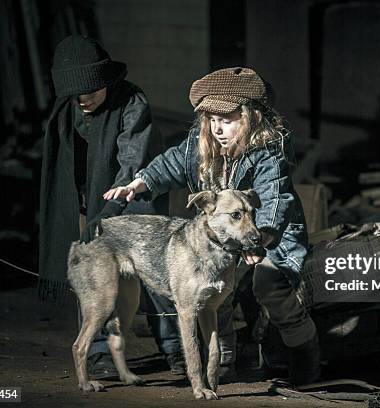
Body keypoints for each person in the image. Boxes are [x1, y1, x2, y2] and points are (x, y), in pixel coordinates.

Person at [103, 67, 321, 386]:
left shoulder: (267, 155)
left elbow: (274, 203)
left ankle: (305, 353)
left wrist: (258, 242)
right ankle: (225, 361)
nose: (217, 128)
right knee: (212, 289)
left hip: (268, 236)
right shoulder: (201, 142)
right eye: (212, 120)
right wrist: (139, 183)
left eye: (227, 119)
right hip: (220, 239)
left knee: (269, 286)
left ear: (251, 118)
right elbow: (174, 163)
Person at [38, 35, 184, 379]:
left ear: (105, 80)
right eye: (76, 95)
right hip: (91, 202)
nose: (83, 100)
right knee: (94, 277)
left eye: (90, 92)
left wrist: (113, 208)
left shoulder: (132, 102)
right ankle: (99, 352)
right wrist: (89, 213)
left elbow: (132, 160)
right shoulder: (69, 110)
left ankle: (174, 345)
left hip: (136, 198)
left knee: (153, 273)